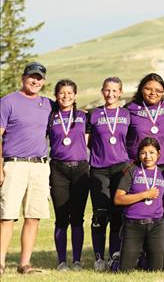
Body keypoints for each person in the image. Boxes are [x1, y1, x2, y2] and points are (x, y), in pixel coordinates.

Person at [0, 62, 52, 275]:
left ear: (43, 81)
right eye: (32, 77)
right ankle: (1, 263)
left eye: (39, 78)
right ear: (23, 78)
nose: (35, 81)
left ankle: (25, 264)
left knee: (33, 216)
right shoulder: (7, 101)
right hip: (14, 165)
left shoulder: (49, 104)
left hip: (39, 167)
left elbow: (70, 112)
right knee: (7, 216)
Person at [125, 73, 164, 267]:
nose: (153, 93)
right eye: (148, 88)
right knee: (141, 211)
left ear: (163, 92)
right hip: (141, 169)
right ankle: (137, 256)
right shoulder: (130, 109)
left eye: (158, 90)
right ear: (141, 89)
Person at [87, 77, 130, 271]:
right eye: (107, 90)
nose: (111, 94)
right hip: (99, 168)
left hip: (121, 168)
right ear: (102, 91)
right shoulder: (93, 114)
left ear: (120, 92)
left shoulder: (127, 114)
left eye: (115, 91)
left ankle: (114, 254)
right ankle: (98, 257)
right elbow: (87, 141)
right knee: (100, 214)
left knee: (118, 214)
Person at [48, 80, 90, 271]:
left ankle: (77, 261)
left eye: (69, 93)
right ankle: (62, 261)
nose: (66, 96)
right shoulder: (50, 116)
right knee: (61, 217)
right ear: (56, 95)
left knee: (78, 218)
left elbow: (87, 141)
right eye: (62, 93)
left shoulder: (83, 116)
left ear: (75, 94)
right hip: (58, 170)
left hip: (80, 170)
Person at [115, 137, 164, 271]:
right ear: (139, 154)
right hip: (133, 224)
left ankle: (142, 259)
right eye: (143, 153)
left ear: (158, 154)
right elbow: (118, 199)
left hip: (156, 225)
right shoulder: (132, 171)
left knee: (157, 269)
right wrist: (144, 195)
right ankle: (114, 263)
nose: (147, 157)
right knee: (125, 270)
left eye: (151, 152)